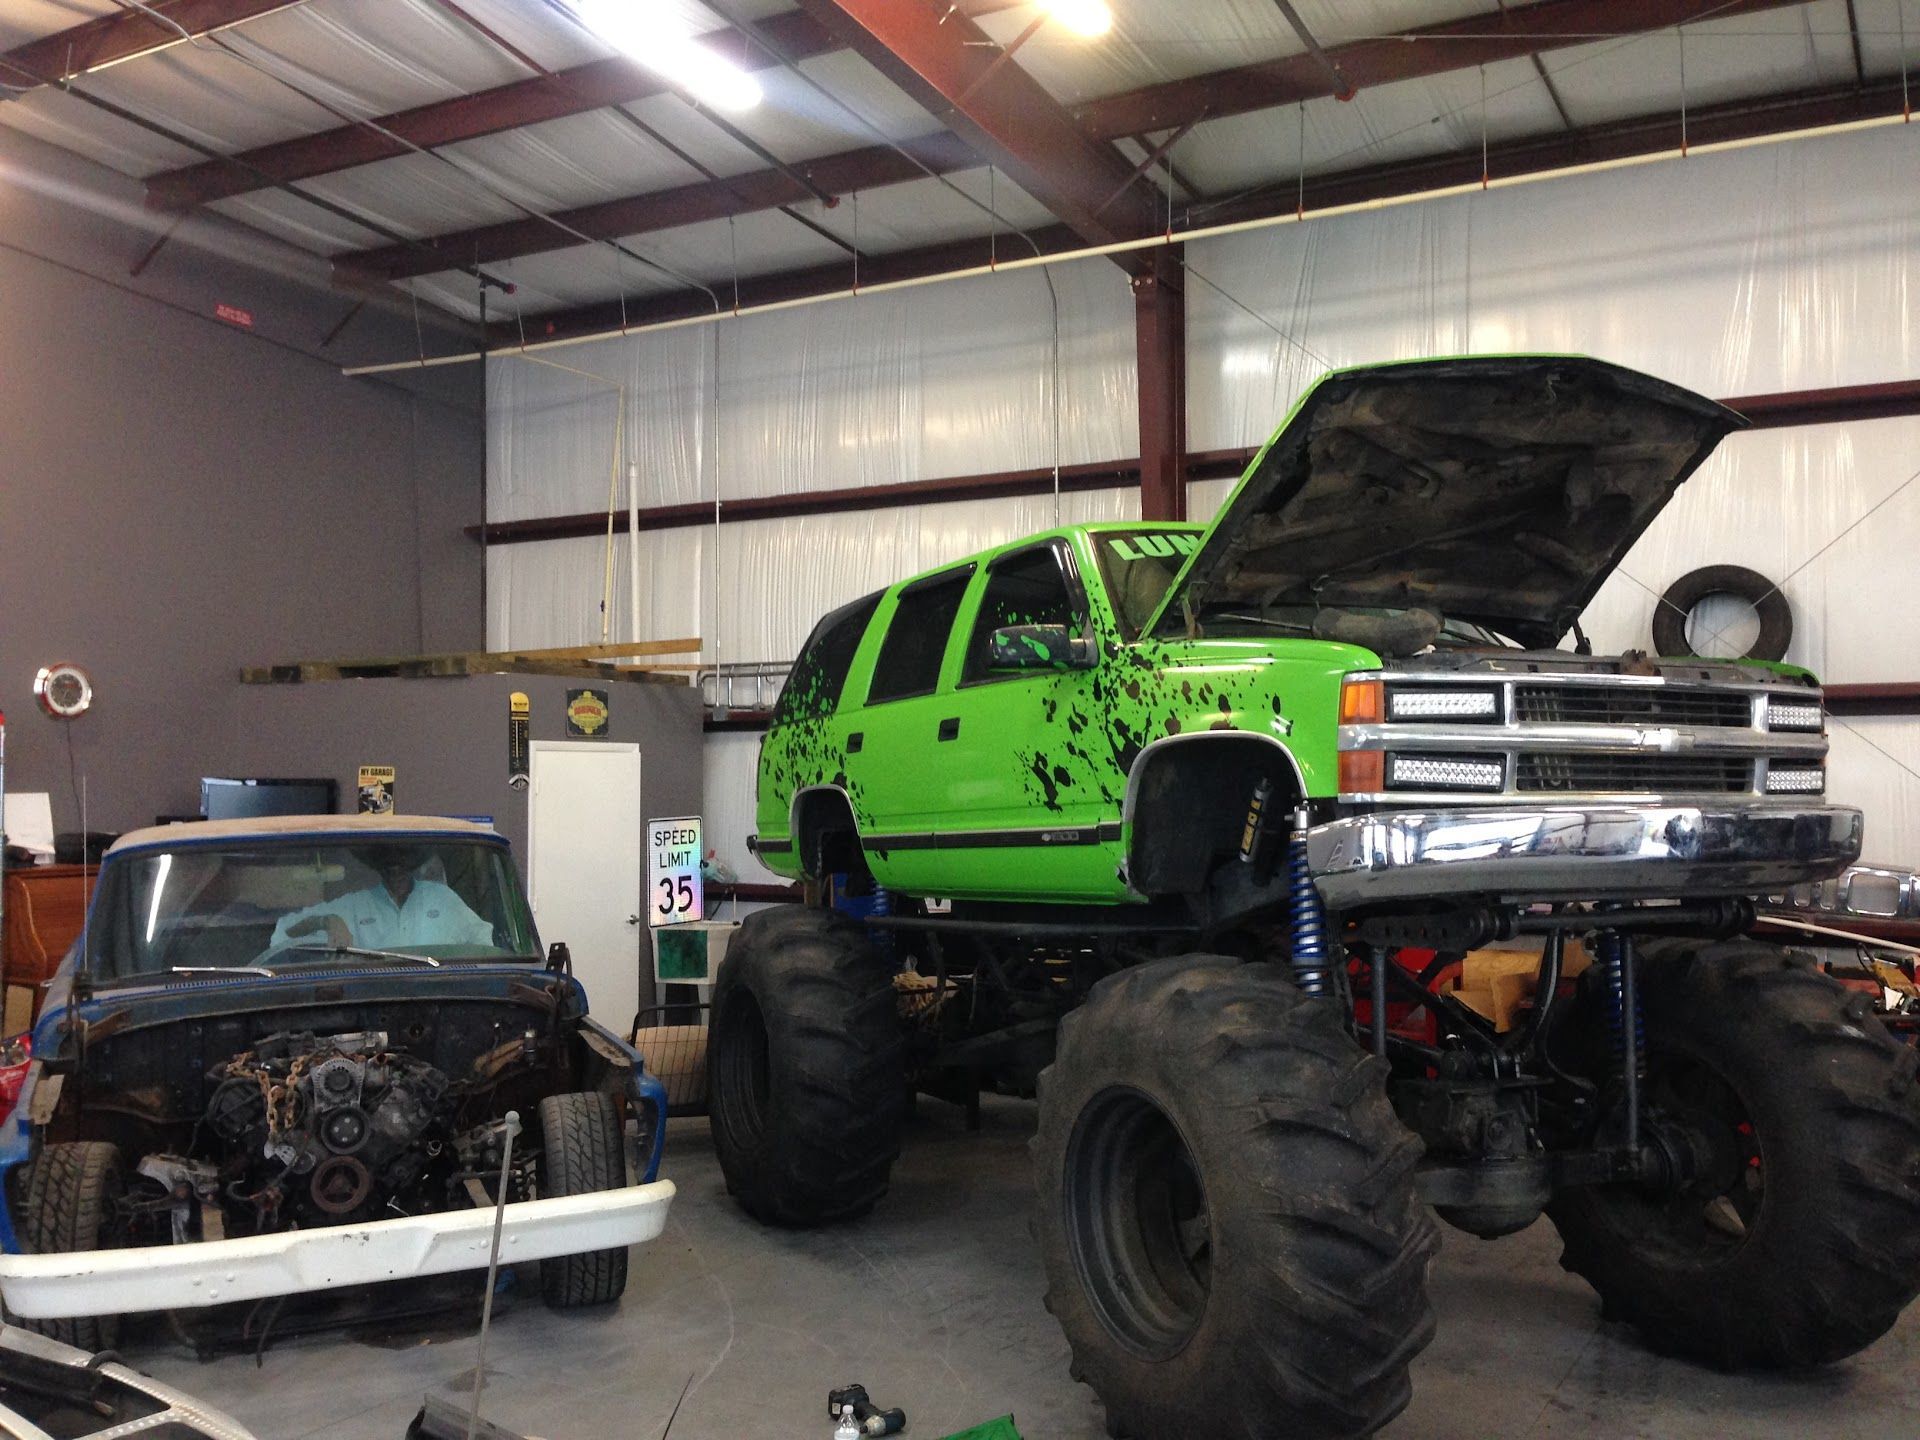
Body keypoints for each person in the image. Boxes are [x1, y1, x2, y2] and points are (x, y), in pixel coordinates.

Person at [270, 846, 494, 952]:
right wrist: (327, 921)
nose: (395, 865)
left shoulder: (442, 899)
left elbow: (484, 944)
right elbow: (284, 930)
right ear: (377, 864)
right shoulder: (356, 904)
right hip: (376, 1001)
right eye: (387, 858)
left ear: (412, 862)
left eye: (402, 856)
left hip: (437, 998)